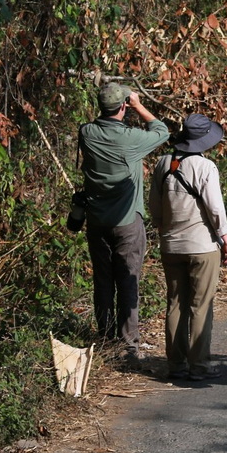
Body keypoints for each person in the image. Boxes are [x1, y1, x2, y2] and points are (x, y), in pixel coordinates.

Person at [79, 82, 169, 361]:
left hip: (96, 221)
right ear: (123, 107)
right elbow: (162, 131)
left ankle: (105, 338)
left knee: (103, 281)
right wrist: (138, 105)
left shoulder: (87, 132)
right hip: (127, 221)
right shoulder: (130, 139)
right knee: (128, 280)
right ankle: (128, 343)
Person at [149, 114, 227, 381]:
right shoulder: (205, 167)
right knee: (201, 304)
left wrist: (163, 228)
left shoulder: (163, 163)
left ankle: (176, 363)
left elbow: (154, 205)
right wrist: (226, 238)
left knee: (175, 303)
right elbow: (215, 208)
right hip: (202, 245)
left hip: (171, 245)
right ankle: (200, 365)